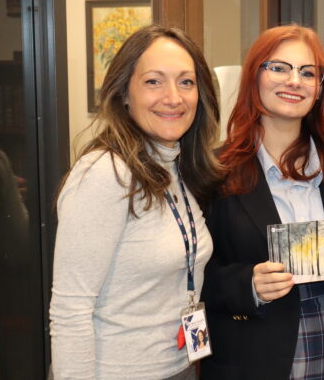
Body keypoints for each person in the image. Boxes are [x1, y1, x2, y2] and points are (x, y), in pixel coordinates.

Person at [201, 25, 324, 380]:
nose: (295, 81)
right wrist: (248, 284)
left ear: (320, 88)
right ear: (255, 77)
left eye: (308, 72)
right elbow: (195, 275)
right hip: (253, 355)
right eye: (279, 67)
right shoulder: (214, 170)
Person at [49, 25, 223, 379]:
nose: (173, 97)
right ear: (124, 93)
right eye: (153, 82)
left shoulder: (176, 166)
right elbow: (71, 309)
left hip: (177, 366)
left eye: (186, 82)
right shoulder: (105, 173)